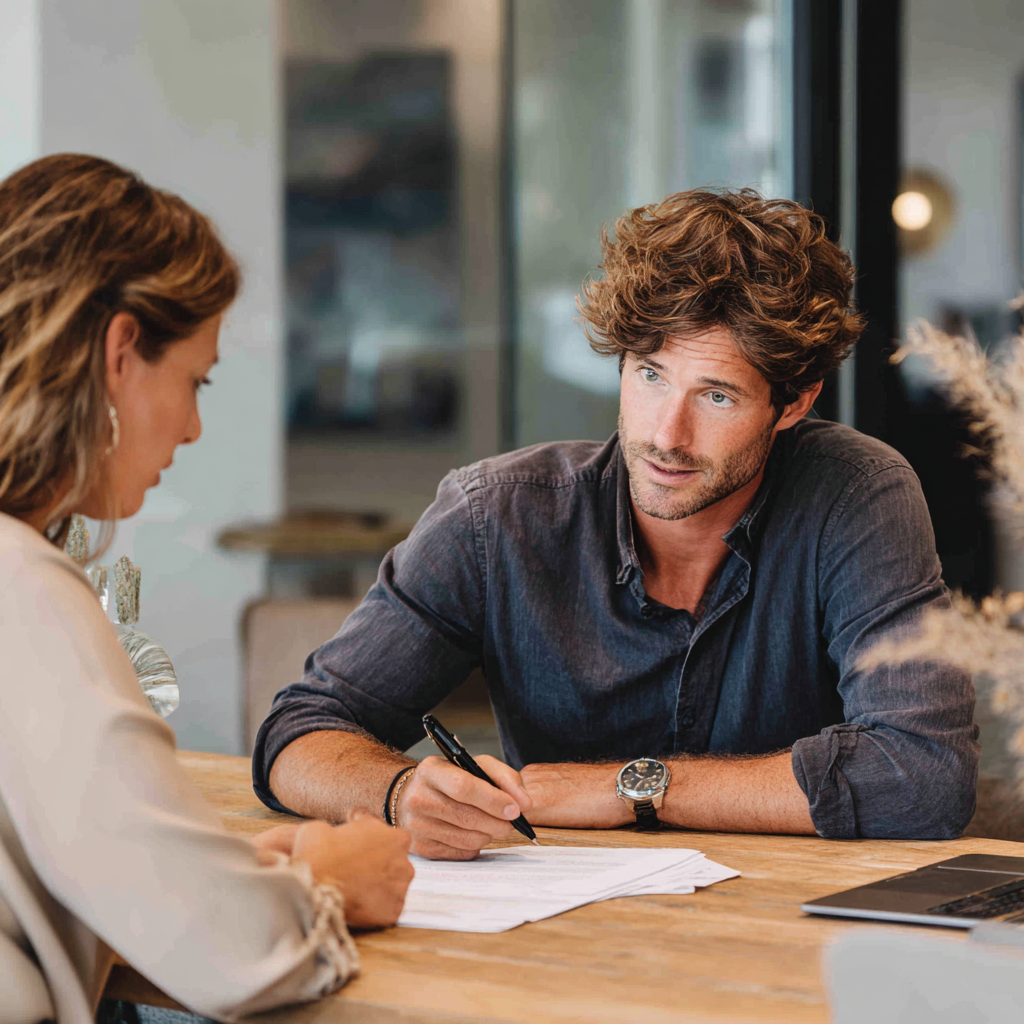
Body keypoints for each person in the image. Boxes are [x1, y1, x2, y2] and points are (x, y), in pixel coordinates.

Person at [255, 189, 979, 860]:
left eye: (718, 396)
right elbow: (300, 734)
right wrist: (401, 793)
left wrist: (628, 787)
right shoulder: (496, 516)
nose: (667, 434)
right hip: (558, 939)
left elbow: (924, 773)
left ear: (792, 405)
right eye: (650, 375)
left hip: (784, 944)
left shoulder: (856, 496)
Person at [0, 154, 414, 1024]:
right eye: (195, 379)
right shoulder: (22, 586)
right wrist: (328, 884)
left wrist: (215, 871)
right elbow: (233, 951)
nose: (191, 427)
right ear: (119, 353)